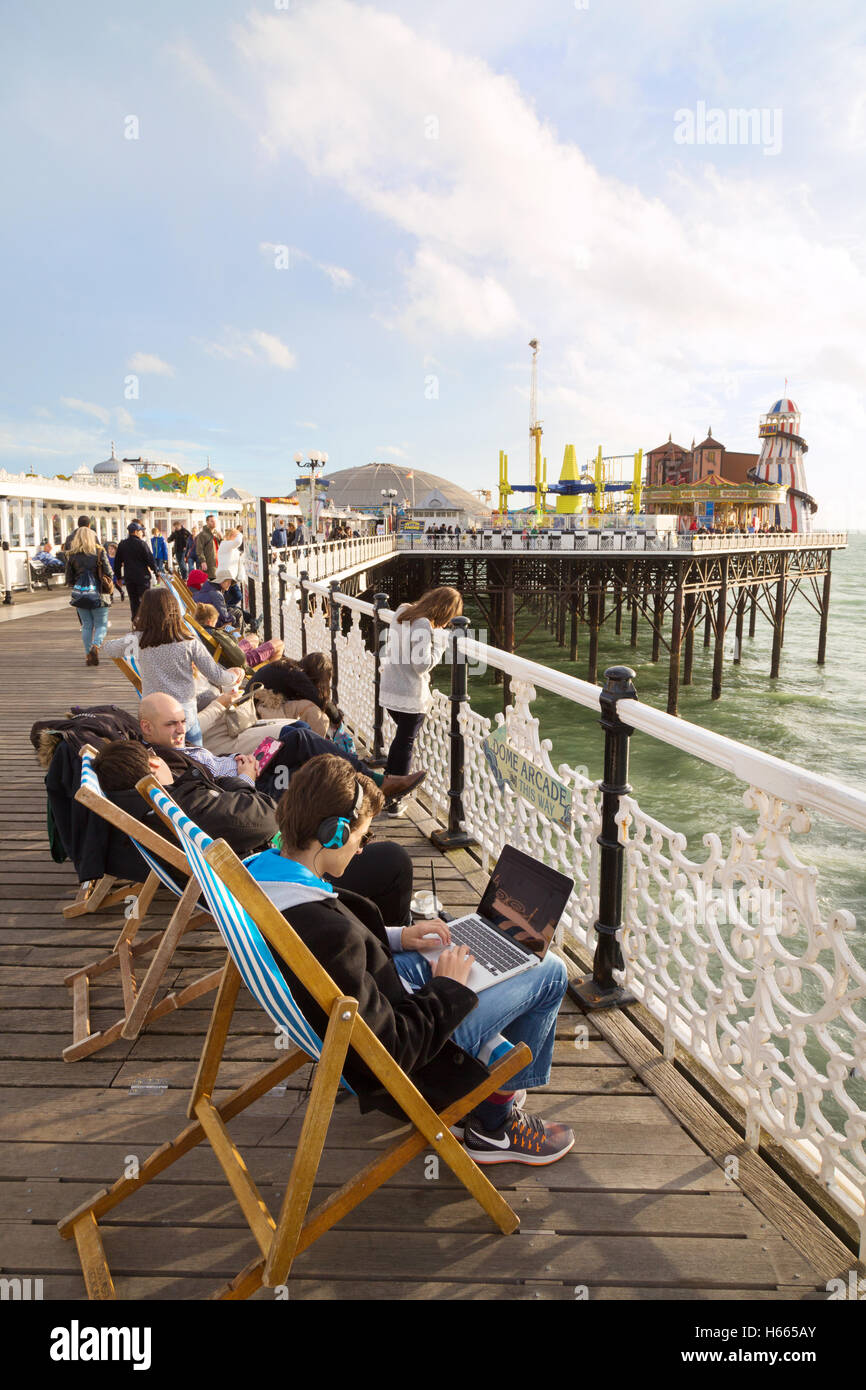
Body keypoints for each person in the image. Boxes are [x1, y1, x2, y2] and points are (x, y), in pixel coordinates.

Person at [247, 755, 574, 1162]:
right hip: (412, 1048)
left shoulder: (259, 877)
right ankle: (495, 1121)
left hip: (387, 995)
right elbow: (394, 1052)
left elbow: (339, 956)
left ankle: (494, 1082)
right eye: (362, 838)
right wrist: (447, 988)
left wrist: (401, 937)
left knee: (472, 948)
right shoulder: (330, 933)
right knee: (550, 971)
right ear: (334, 834)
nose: (363, 850)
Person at [92, 740, 279, 860]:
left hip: (218, 846)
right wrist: (243, 779)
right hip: (261, 862)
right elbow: (270, 818)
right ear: (154, 762)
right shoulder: (186, 806)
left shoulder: (142, 809)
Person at [102, 587, 242, 745]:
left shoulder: (137, 640)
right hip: (184, 717)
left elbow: (109, 648)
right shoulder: (188, 642)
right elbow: (217, 676)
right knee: (195, 759)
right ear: (175, 611)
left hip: (154, 719)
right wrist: (235, 674)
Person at [379, 586, 462, 810]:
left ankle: (386, 787)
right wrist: (441, 645)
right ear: (445, 612)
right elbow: (421, 665)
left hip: (389, 689)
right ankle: (395, 798)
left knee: (401, 740)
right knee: (405, 742)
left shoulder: (402, 611)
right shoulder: (423, 624)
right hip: (408, 694)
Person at [65, 525, 118, 666]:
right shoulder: (100, 551)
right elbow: (109, 572)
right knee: (101, 624)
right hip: (99, 594)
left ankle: (88, 653)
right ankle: (96, 645)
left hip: (81, 594)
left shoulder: (71, 554)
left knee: (87, 625)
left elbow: (68, 579)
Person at [193, 603, 283, 667]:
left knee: (254, 638)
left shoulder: (199, 631)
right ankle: (270, 678)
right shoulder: (215, 634)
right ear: (209, 621)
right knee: (279, 643)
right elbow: (239, 656)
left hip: (228, 655)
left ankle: (259, 672)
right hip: (238, 662)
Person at [113, 520, 158, 620]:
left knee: (133, 601)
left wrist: (118, 577)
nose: (142, 533)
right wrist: (156, 573)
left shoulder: (122, 544)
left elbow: (117, 562)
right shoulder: (142, 544)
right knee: (145, 600)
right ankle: (145, 621)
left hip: (129, 577)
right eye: (141, 531)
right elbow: (150, 560)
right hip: (143, 577)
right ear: (136, 532)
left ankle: (135, 621)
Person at [195, 514, 220, 580]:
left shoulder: (217, 533)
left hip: (219, 563)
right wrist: (203, 561)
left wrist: (221, 538)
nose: (214, 522)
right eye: (211, 521)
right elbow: (199, 549)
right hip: (209, 564)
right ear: (207, 522)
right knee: (211, 582)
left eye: (215, 521)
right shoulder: (202, 534)